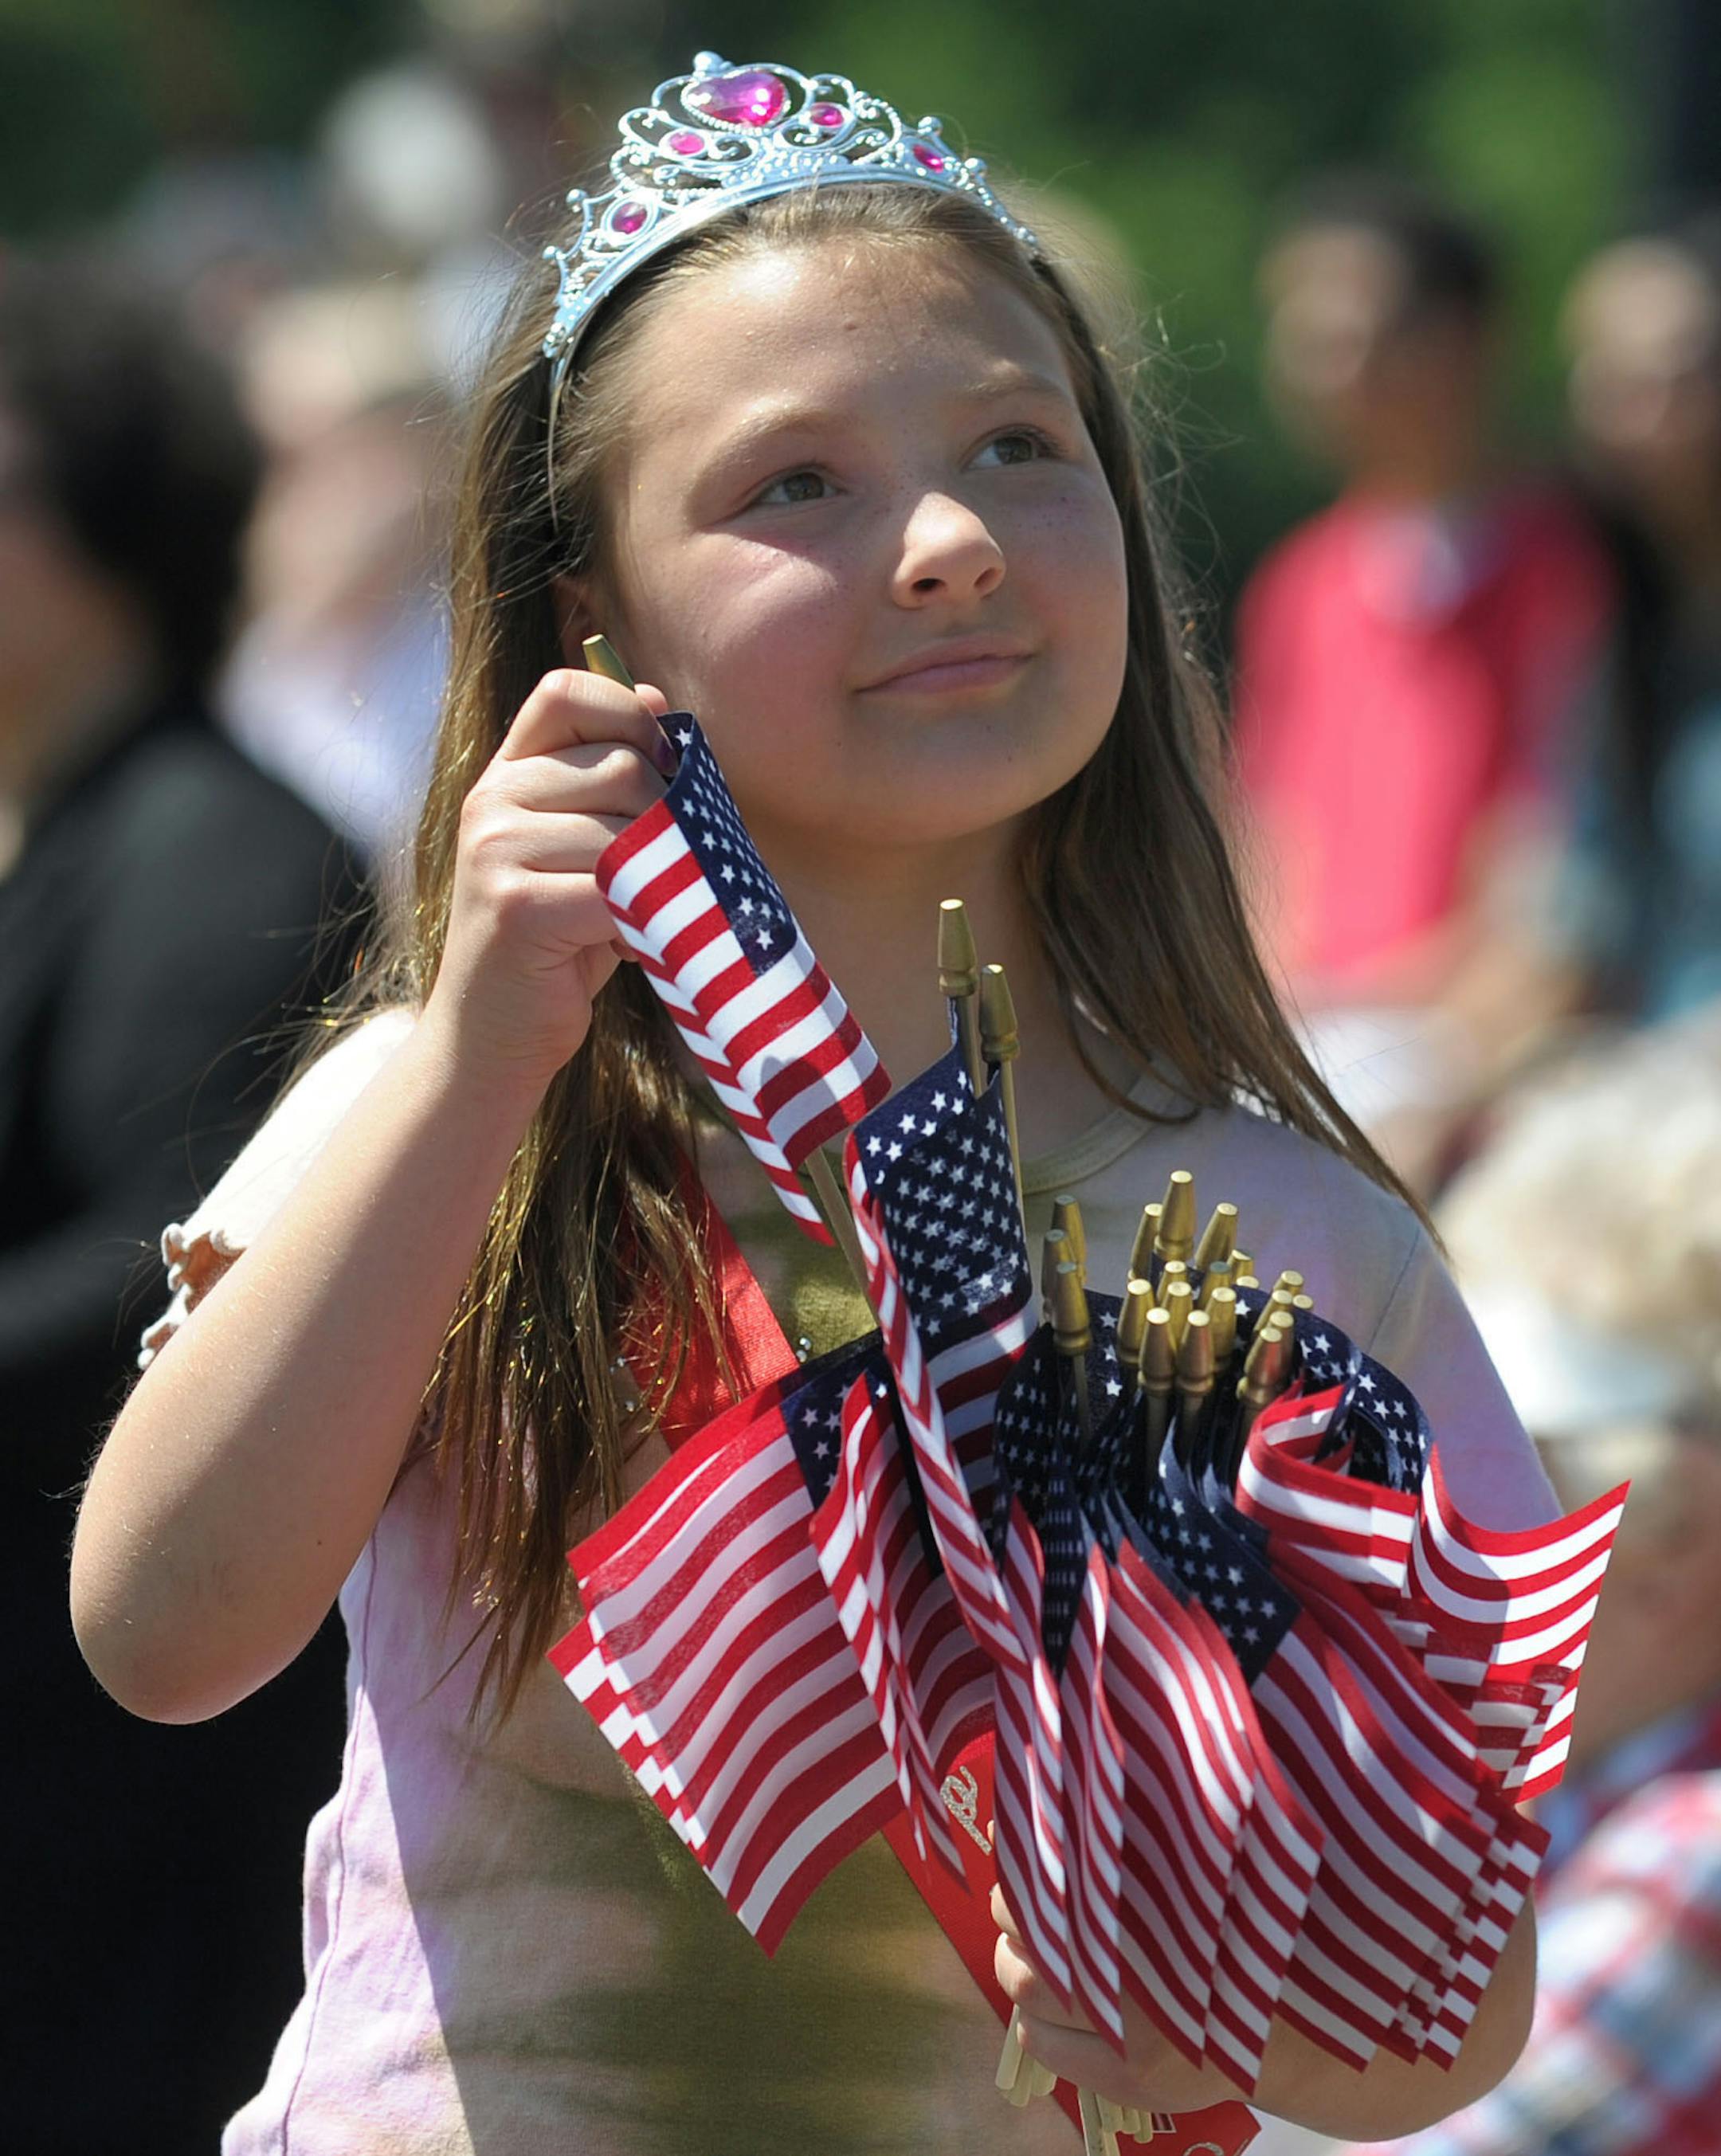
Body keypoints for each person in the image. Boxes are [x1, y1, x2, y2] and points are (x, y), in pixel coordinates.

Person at [71, 55, 1558, 2153]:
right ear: (591, 600)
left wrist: (1226, 1990)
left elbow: (1456, 2005)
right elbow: (163, 1631)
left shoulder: (1297, 1240)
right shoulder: (457, 1113)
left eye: (1020, 447)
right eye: (798, 488)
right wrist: (492, 1052)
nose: (949, 543)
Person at [0, 258, 362, 2149]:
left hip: (138, 1781)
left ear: (102, 524)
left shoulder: (215, 849)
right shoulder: (81, 827)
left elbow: (167, 1266)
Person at [1334, 1006, 1721, 2156]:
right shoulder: (1551, 1819)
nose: (1397, 1545)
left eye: (1494, 1487)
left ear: (1682, 1538)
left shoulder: (1692, 1862)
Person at [1233, 178, 1611, 1186]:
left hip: (1480, 1057)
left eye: (1354, 335)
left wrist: (1444, 1056)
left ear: (1466, 343)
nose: (1319, 370)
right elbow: (1275, 852)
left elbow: (1558, 889)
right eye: (1301, 336)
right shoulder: (1302, 585)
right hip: (1322, 1038)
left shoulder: (1571, 572)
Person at [1551, 221, 1721, 1021]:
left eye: (1680, 376)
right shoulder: (1626, 639)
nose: (1637, 417)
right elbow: (1584, 937)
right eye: (1609, 382)